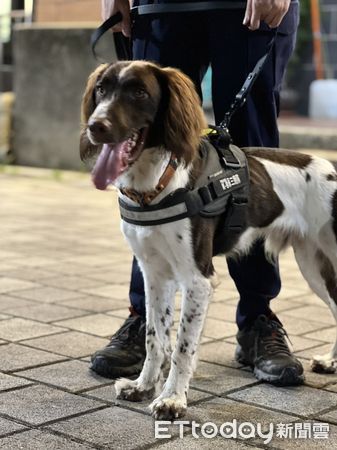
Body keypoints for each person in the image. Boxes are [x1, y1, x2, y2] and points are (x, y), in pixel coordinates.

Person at [91, 0, 304, 385]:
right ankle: (145, 319)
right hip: (160, 5)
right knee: (143, 134)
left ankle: (258, 318)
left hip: (247, 7)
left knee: (249, 154)